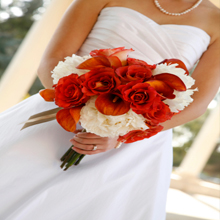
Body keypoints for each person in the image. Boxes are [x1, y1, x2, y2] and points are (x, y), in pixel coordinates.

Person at [0, 0, 219, 219]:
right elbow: (54, 58)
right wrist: (85, 110)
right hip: (61, 112)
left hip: (137, 141)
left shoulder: (216, 21)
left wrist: (122, 133)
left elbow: (198, 102)